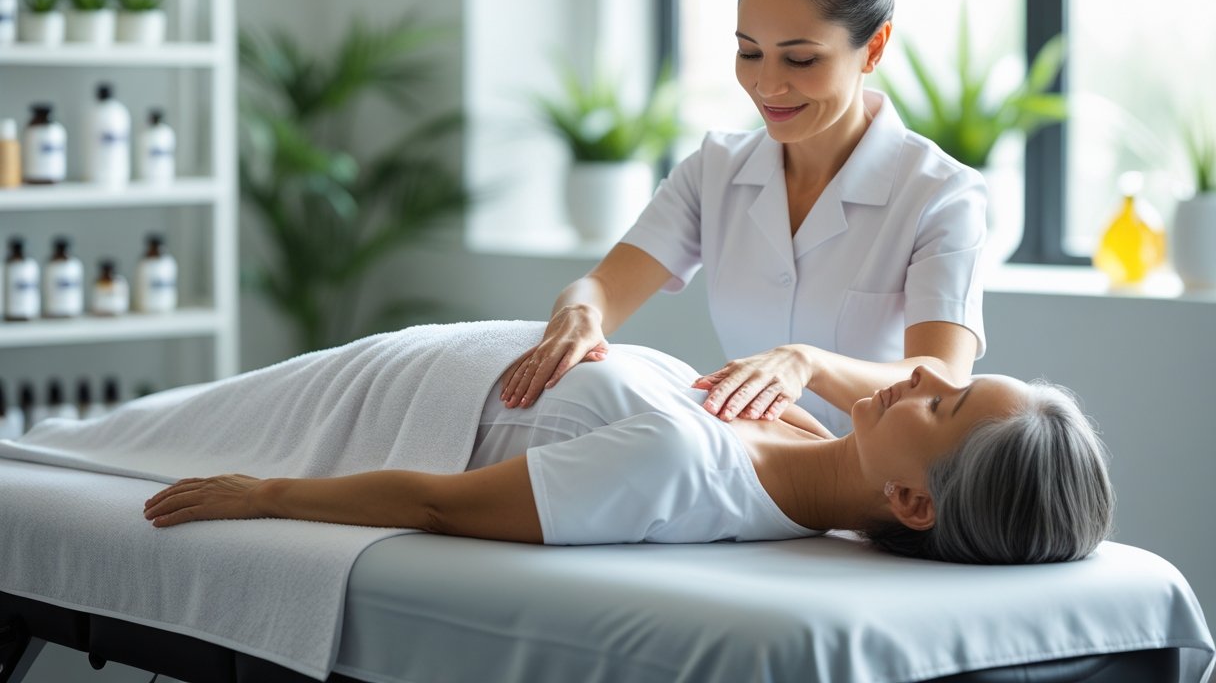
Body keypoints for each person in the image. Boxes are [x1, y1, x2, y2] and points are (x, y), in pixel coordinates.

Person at [499, 0, 986, 438]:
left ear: (873, 49)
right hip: (761, 469)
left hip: (882, 484)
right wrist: (581, 314)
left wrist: (808, 363)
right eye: (749, 52)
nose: (767, 84)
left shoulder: (940, 193)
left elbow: (941, 379)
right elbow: (604, 288)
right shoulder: (716, 168)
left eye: (801, 59)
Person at [144, 339, 1113, 566]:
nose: (910, 372)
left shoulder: (677, 473)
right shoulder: (815, 443)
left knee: (127, 437)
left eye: (938, 402)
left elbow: (442, 504)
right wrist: (812, 361)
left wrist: (265, 490)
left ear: (910, 502)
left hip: (394, 399)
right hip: (455, 351)